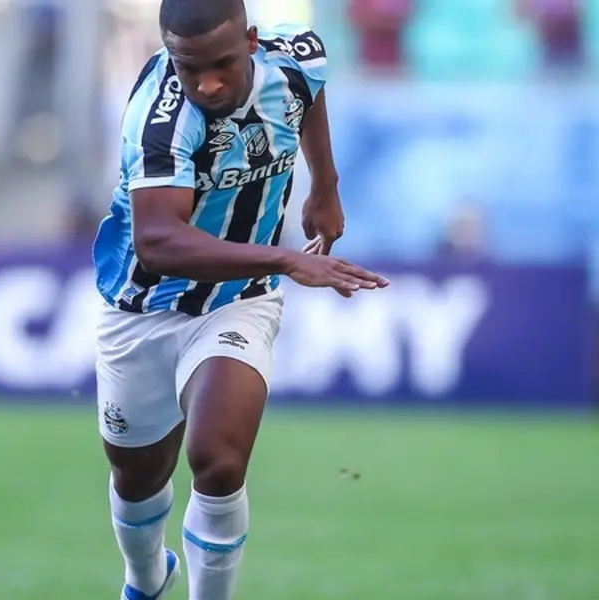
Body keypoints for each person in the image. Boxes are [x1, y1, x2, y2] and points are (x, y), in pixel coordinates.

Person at [91, 1, 388, 598]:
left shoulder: (296, 56)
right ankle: (145, 579)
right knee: (137, 476)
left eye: (222, 65)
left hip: (239, 297)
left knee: (218, 460)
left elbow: (310, 94)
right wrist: (286, 257)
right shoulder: (161, 117)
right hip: (141, 308)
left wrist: (324, 187)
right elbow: (158, 242)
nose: (207, 84)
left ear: (251, 41)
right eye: (189, 68)